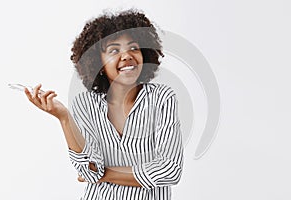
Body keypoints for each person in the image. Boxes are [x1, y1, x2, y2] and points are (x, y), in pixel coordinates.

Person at [24, 9, 183, 200]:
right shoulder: (85, 104)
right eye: (114, 50)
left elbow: (170, 170)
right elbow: (89, 169)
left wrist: (105, 173)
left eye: (133, 47)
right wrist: (64, 118)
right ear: (97, 63)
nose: (126, 56)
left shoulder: (162, 98)